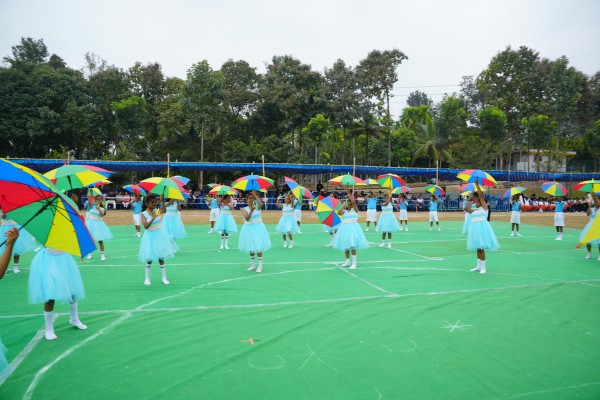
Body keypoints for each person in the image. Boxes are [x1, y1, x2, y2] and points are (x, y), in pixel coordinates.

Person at [29, 244, 88, 340]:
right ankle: (49, 328)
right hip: (47, 260)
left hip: (64, 259)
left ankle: (74, 319)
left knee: (71, 291)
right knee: (50, 295)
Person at [139, 194, 175, 286]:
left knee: (161, 257)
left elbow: (164, 210)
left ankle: (164, 278)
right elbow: (146, 226)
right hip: (150, 237)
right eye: (152, 202)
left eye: (155, 202)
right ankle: (147, 278)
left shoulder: (157, 210)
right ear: (146, 203)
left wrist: (162, 201)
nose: (154, 204)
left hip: (159, 235)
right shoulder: (143, 214)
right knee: (149, 258)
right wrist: (153, 218)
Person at [465, 184, 500, 274]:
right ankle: (478, 266)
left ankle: (483, 267)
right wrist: (468, 200)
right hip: (475, 229)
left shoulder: (484, 208)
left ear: (480, 201)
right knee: (478, 248)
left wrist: (477, 185)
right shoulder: (474, 210)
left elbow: (480, 196)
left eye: (476, 201)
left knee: (481, 248)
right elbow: (467, 209)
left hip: (482, 229)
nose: (475, 202)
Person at [332, 189, 369, 269]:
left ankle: (354, 263)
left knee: (352, 246)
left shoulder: (355, 211)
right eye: (348, 204)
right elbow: (338, 212)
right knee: (346, 246)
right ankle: (347, 261)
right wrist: (343, 205)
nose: (349, 205)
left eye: (350, 204)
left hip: (353, 230)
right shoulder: (345, 212)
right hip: (345, 229)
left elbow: (354, 202)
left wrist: (349, 194)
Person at [239, 190, 271, 273]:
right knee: (251, 247)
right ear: (246, 200)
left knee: (258, 247)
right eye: (249, 198)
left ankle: (260, 265)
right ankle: (253, 265)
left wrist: (255, 195)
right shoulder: (243, 209)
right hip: (248, 229)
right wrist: (251, 210)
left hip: (258, 228)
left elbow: (261, 204)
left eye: (252, 198)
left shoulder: (257, 206)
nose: (251, 200)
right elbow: (247, 218)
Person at [0, 208, 36, 273]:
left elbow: (18, 214)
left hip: (15, 227)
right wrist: (5, 212)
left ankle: (16, 266)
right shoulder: (1, 208)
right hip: (5, 228)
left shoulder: (13, 206)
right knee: (5, 248)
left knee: (17, 247)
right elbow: (3, 217)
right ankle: (5, 267)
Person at [85, 195, 113, 261]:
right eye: (97, 199)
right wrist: (91, 194)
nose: (98, 200)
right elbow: (89, 202)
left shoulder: (102, 208)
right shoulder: (91, 206)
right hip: (90, 223)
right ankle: (89, 254)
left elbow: (102, 215)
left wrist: (99, 209)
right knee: (89, 240)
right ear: (95, 200)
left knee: (100, 240)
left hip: (98, 224)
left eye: (100, 199)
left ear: (102, 200)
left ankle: (102, 255)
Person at [581, 193, 600, 260]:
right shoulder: (591, 209)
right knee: (588, 241)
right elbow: (587, 214)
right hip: (590, 227)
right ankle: (589, 253)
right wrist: (589, 208)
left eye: (597, 202)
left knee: (599, 242)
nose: (595, 203)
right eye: (595, 202)